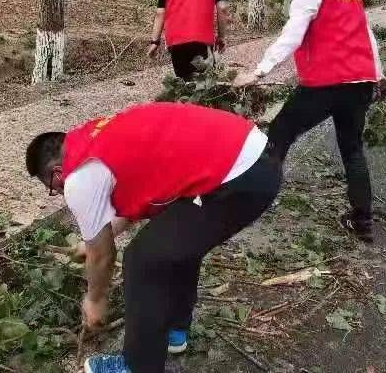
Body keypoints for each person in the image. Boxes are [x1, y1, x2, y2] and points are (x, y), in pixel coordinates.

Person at [26, 102, 281, 373]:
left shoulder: (78, 177)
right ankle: (174, 330)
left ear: (56, 173)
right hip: (253, 156)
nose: (58, 192)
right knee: (173, 243)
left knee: (143, 259)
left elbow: (104, 255)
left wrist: (95, 299)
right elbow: (141, 198)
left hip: (239, 175)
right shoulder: (94, 139)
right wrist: (91, 242)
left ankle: (137, 366)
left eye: (52, 189)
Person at [235, 0, 383, 242]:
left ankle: (251, 202)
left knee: (278, 136)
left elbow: (293, 33)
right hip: (359, 83)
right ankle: (363, 222)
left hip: (327, 83)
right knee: (352, 149)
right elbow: (366, 33)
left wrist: (259, 70)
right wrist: (378, 73)